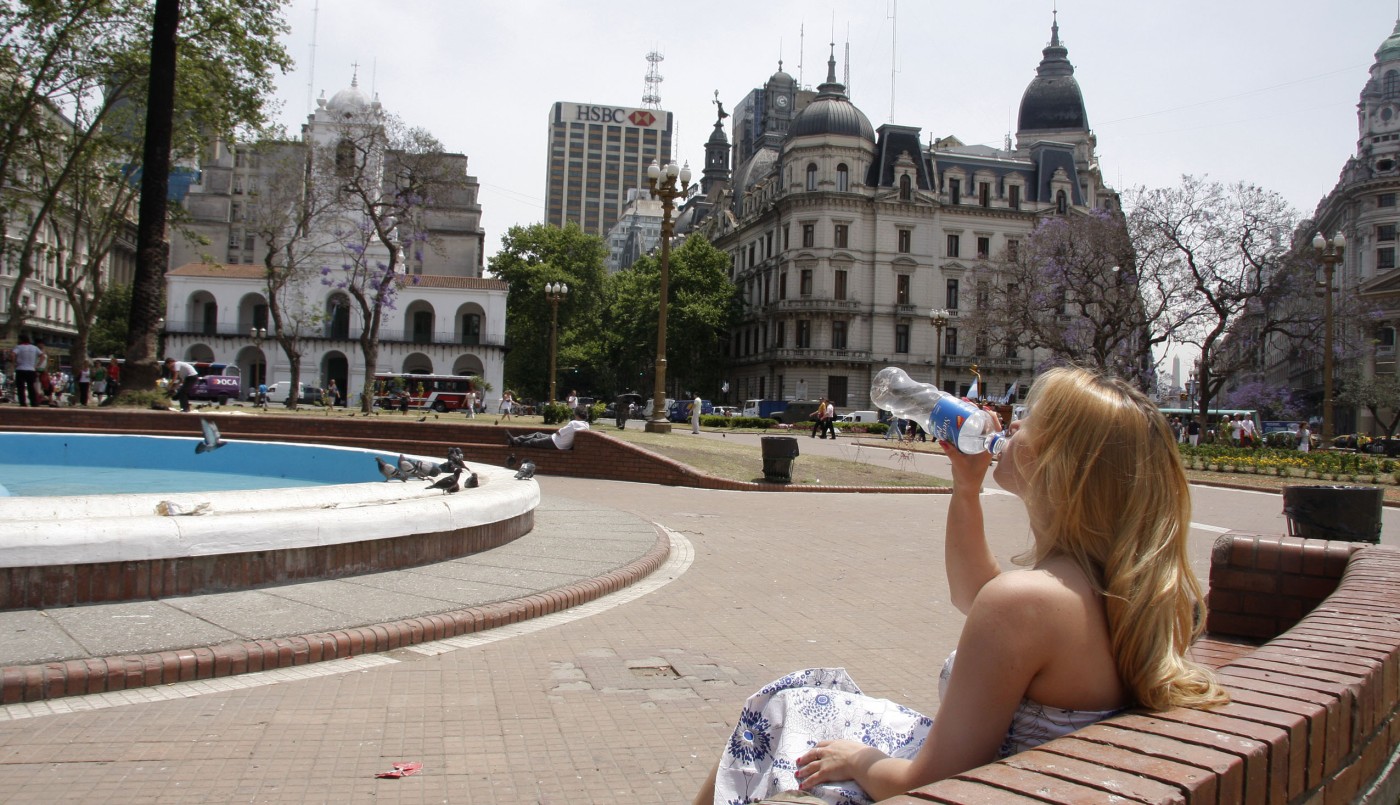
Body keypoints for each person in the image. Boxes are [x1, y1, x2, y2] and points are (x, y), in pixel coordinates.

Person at [696, 366, 1227, 805]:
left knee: (778, 711)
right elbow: (973, 595)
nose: (1007, 430)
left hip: (962, 786)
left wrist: (857, 758)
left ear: (1055, 464)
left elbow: (928, 783)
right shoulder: (1107, 588)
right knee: (796, 696)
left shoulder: (1028, 604)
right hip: (1015, 777)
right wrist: (966, 487)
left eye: (1024, 425)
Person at [507, 406, 590, 449]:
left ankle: (516, 444)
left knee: (533, 441)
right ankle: (516, 440)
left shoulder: (573, 423)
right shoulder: (586, 425)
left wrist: (560, 431)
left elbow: (559, 433)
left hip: (556, 442)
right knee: (537, 434)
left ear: (576, 414)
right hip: (562, 444)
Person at [9, 334, 41, 407]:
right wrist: (37, 365)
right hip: (31, 370)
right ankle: (34, 402)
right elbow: (42, 356)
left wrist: (14, 363)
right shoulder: (34, 348)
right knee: (31, 387)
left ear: (20, 340)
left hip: (20, 369)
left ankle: (22, 403)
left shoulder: (19, 347)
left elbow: (12, 354)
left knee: (21, 387)